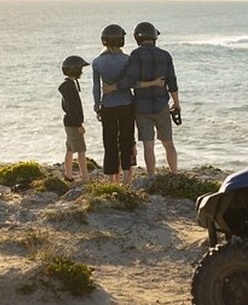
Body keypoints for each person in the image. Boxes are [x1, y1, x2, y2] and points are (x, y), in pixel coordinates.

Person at [108, 21, 180, 175]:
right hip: (162, 105)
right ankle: (174, 174)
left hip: (142, 107)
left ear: (137, 38)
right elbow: (172, 82)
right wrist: (177, 103)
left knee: (149, 145)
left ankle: (151, 176)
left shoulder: (136, 55)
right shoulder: (165, 55)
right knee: (168, 143)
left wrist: (112, 88)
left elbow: (129, 81)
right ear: (154, 37)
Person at [91, 24, 136, 185]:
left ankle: (112, 180)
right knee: (127, 140)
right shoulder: (127, 59)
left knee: (109, 142)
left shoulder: (97, 62)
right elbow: (131, 82)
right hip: (126, 104)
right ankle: (128, 179)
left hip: (107, 106)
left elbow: (96, 87)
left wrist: (97, 106)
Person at [59, 55, 91, 182]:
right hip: (73, 124)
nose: (81, 72)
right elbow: (72, 108)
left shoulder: (69, 86)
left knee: (70, 149)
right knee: (81, 150)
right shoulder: (70, 88)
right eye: (80, 69)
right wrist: (79, 125)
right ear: (75, 70)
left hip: (69, 122)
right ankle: (85, 177)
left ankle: (68, 174)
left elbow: (66, 107)